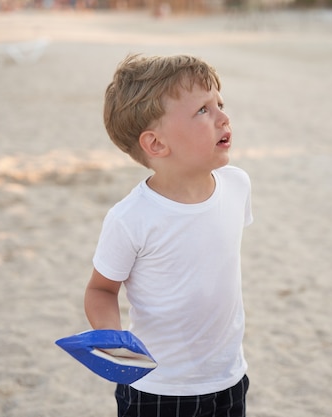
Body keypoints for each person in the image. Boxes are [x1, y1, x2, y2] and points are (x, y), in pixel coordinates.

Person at [84, 54, 252, 417]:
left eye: (219, 104)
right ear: (156, 144)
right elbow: (100, 289)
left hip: (227, 377)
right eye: (202, 111)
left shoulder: (237, 185)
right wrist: (113, 340)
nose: (223, 117)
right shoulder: (131, 218)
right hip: (157, 387)